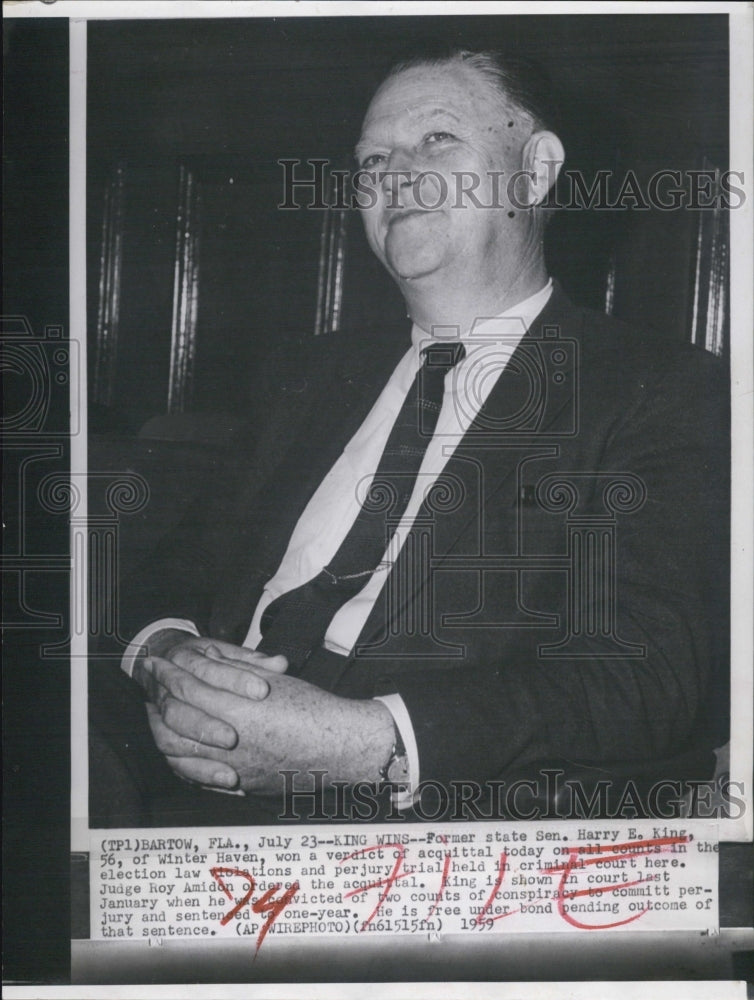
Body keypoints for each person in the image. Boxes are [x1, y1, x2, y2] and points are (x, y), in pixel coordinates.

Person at [91, 49, 729, 825]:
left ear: (534, 172)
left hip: (420, 822)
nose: (394, 175)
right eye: (372, 160)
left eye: (436, 140)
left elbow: (644, 678)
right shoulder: (309, 375)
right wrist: (169, 656)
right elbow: (168, 574)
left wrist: (363, 743)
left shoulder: (659, 390)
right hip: (153, 770)